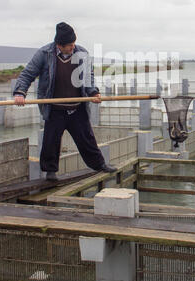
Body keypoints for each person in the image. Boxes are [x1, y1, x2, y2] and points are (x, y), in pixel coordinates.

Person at [13, 22, 117, 180]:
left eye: (74, 43)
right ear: (59, 45)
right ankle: (50, 172)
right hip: (55, 108)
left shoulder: (82, 53)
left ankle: (99, 164)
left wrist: (94, 93)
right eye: (69, 45)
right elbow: (27, 74)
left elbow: (89, 78)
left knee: (87, 138)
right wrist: (20, 93)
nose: (72, 47)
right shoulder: (44, 53)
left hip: (77, 107)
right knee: (51, 140)